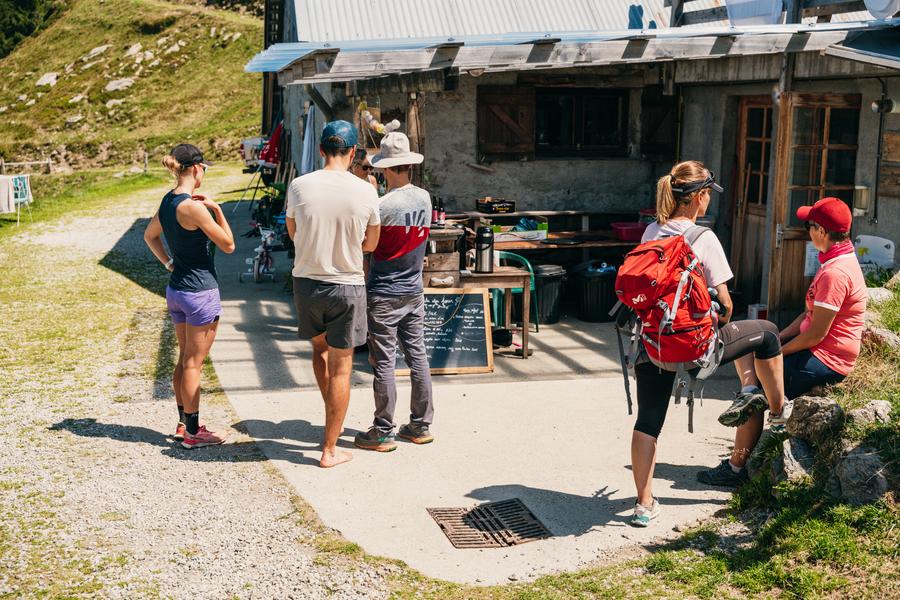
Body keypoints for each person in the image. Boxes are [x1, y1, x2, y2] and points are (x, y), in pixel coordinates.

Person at [629, 160, 793, 527]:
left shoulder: (651, 232)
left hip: (652, 344)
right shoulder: (704, 238)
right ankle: (780, 409)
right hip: (694, 347)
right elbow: (728, 305)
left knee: (648, 421)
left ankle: (644, 503)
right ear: (700, 197)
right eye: (707, 196)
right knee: (765, 333)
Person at [697, 197, 867, 487]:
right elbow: (809, 315)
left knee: (756, 393)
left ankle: (736, 467)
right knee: (751, 336)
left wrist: (775, 352)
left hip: (827, 360)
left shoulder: (835, 273)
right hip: (820, 351)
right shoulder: (838, 260)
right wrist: (779, 337)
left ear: (822, 231)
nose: (807, 232)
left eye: (809, 226)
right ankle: (750, 390)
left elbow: (816, 334)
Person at [285, 120, 381, 468]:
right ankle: (330, 448)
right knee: (342, 369)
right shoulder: (367, 191)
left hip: (307, 283)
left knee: (320, 351)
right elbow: (371, 243)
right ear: (354, 152)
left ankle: (330, 417)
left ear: (321, 149)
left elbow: (293, 233)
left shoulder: (299, 186)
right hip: (346, 284)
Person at [143, 144, 235, 449]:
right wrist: (218, 210)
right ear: (196, 169)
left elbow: (149, 235)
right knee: (194, 362)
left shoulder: (168, 202)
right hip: (200, 292)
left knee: (184, 359)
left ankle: (184, 423)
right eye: (204, 169)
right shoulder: (194, 208)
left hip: (177, 289)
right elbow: (228, 245)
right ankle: (195, 432)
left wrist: (169, 263)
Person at [353, 132, 434, 452]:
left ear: (386, 169)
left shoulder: (382, 205)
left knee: (384, 361)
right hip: (414, 289)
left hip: (384, 291)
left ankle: (383, 428)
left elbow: (365, 244)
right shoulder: (424, 198)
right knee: (418, 357)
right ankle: (420, 424)